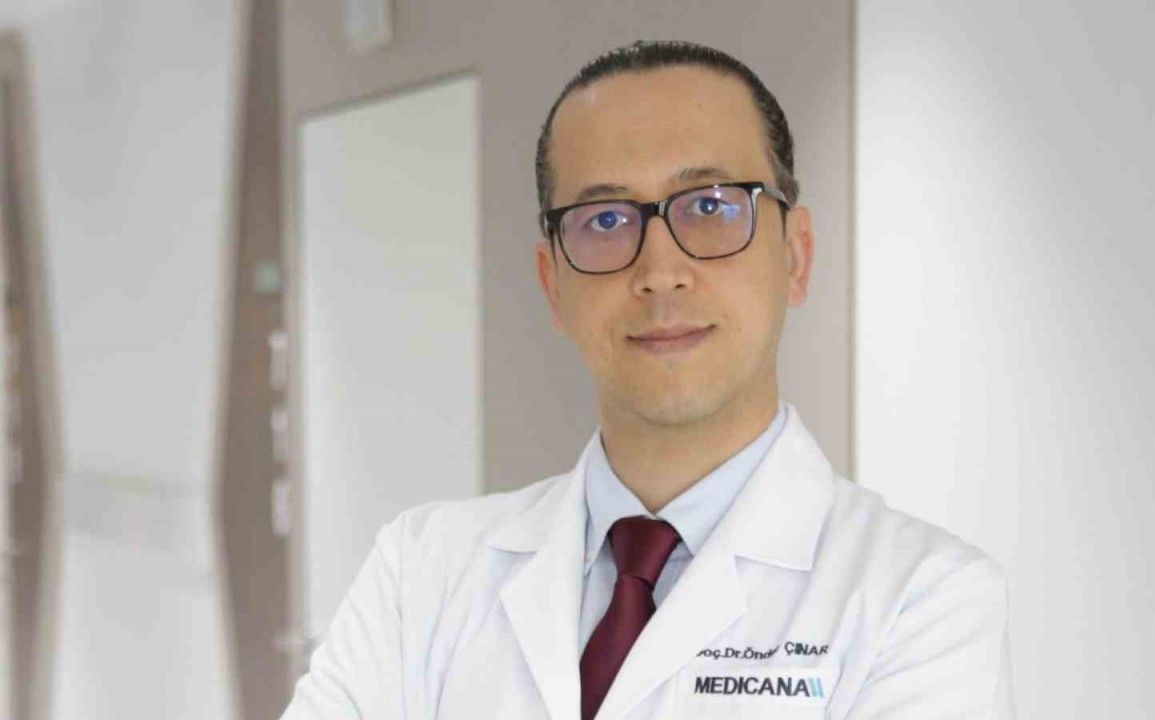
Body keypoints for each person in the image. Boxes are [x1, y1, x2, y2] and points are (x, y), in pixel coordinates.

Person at [281, 40, 1015, 719]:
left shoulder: (921, 599)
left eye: (710, 206)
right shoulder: (422, 570)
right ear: (553, 284)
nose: (661, 272)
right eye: (604, 221)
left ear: (795, 256)